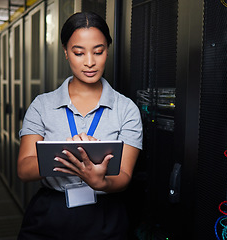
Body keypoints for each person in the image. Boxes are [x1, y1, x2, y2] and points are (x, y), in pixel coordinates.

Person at [17, 11, 143, 239]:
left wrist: (100, 181)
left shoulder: (126, 109)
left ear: (107, 49)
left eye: (98, 51)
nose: (90, 62)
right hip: (50, 214)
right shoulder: (42, 105)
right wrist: (68, 153)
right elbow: (24, 169)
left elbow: (124, 176)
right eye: (78, 52)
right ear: (66, 52)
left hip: (106, 217)